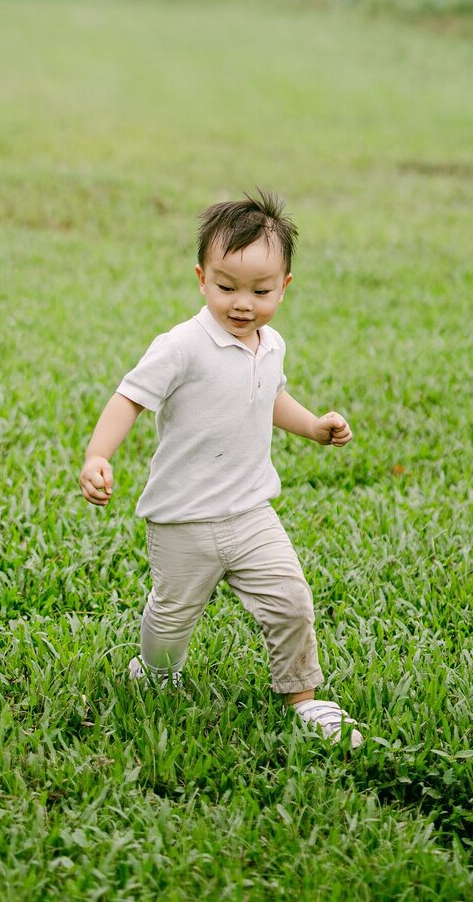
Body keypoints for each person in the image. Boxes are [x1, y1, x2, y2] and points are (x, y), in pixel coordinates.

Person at [79, 188, 362, 747]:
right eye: (225, 287)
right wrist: (98, 455)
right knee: (172, 614)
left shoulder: (270, 344)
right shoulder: (181, 346)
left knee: (291, 600)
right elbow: (129, 398)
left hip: (250, 511)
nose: (241, 303)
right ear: (201, 278)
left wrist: (312, 427)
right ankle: (155, 673)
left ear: (284, 287)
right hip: (183, 518)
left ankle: (301, 699)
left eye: (259, 291)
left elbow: (269, 397)